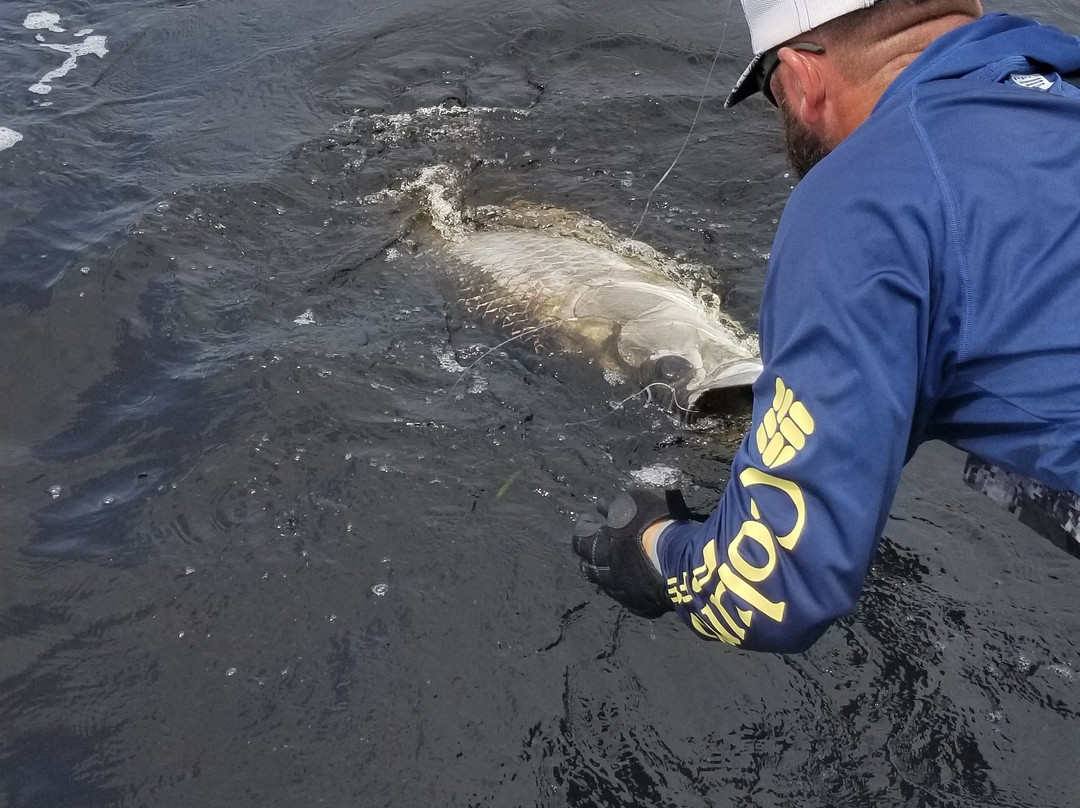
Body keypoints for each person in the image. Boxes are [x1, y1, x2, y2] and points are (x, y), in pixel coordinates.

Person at [572, 0, 1080, 652]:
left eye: (772, 92)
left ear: (803, 77)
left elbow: (765, 592)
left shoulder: (865, 198)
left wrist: (651, 548)